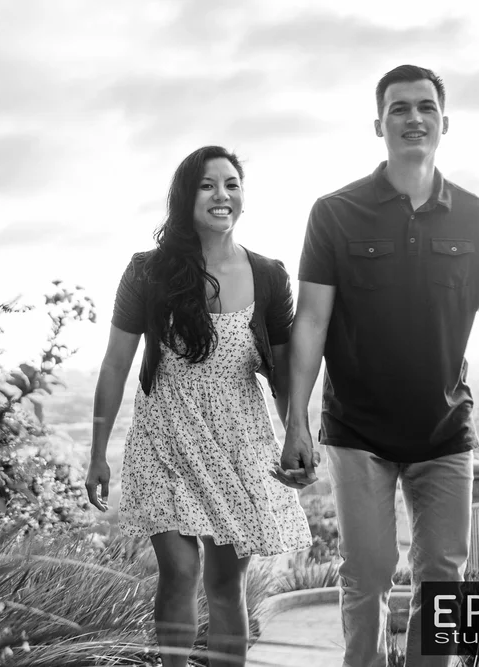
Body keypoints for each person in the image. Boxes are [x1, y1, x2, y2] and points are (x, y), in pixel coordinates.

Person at [277, 64, 479, 667]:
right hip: (357, 429)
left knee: (444, 580)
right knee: (367, 573)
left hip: (445, 430)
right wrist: (297, 422)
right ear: (379, 125)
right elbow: (311, 322)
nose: (413, 118)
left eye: (426, 107)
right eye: (399, 108)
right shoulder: (334, 212)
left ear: (445, 123)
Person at [85, 145, 312, 667]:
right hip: (163, 439)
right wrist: (97, 452)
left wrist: (296, 434)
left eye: (231, 184)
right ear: (186, 196)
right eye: (208, 185)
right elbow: (115, 365)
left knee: (227, 585)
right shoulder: (147, 272)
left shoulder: (270, 276)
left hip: (238, 445)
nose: (221, 195)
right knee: (180, 572)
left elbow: (284, 376)